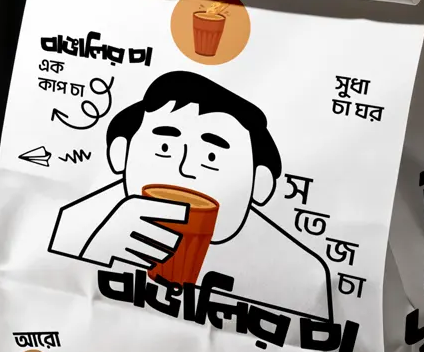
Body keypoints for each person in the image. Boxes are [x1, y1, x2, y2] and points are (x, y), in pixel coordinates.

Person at [49, 71, 332, 321]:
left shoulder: (300, 273)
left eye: (211, 157)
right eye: (164, 148)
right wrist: (91, 256)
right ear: (120, 153)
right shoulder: (75, 226)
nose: (184, 169)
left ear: (261, 184)